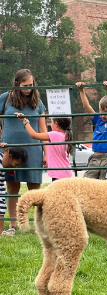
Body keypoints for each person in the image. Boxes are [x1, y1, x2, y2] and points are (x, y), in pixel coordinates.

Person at [0, 69, 47, 236]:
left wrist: (46, 152)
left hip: (33, 149)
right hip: (10, 151)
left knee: (35, 188)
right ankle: (12, 225)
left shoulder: (38, 102)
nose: (29, 88)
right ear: (17, 84)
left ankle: (37, 226)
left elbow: (42, 128)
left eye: (32, 85)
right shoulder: (5, 99)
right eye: (25, 85)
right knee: (12, 188)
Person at [76, 81, 107, 180]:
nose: (103, 115)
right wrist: (81, 90)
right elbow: (87, 107)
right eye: (101, 112)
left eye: (106, 113)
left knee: (104, 182)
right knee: (87, 180)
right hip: (95, 157)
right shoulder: (98, 119)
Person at [15, 114, 73, 182]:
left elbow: (33, 135)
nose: (51, 124)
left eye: (51, 122)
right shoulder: (66, 136)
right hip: (65, 171)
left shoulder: (55, 134)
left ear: (56, 124)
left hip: (59, 174)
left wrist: (25, 121)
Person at [0, 144, 28, 235]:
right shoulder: (2, 157)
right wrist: (6, 151)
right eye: (16, 164)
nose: (16, 167)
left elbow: (5, 165)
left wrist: (6, 152)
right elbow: (5, 163)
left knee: (1, 209)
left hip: (0, 189)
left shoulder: (9, 165)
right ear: (10, 157)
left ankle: (0, 231)